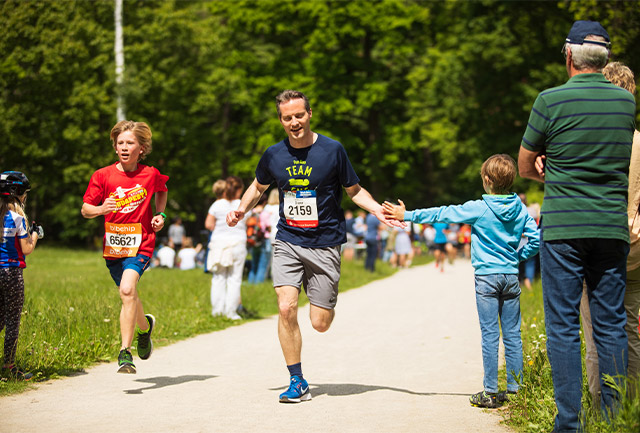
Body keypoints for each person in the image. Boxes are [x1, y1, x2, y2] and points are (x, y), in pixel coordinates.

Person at [226, 90, 402, 403]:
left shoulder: (333, 150)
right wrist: (242, 208)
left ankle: (324, 297)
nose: (294, 122)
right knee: (286, 306)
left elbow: (354, 190)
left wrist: (376, 209)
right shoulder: (273, 155)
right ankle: (297, 380)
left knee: (320, 323)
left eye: (299, 115)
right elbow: (258, 186)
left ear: (310, 114)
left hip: (326, 243)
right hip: (289, 240)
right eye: (287, 118)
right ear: (280, 121)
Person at [517, 21, 635, 432]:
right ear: (603, 59)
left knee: (564, 325)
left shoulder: (549, 100)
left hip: (565, 226)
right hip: (610, 226)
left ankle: (569, 422)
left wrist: (550, 171)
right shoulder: (625, 102)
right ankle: (615, 419)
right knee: (611, 324)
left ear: (568, 55)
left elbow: (524, 165)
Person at [383, 154, 540, 408]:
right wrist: (517, 258)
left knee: (490, 334)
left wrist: (407, 214)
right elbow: (535, 239)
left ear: (487, 180)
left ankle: (490, 391)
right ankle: (516, 389)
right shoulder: (520, 208)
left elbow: (444, 213)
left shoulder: (479, 208)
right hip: (511, 276)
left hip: (487, 278)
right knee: (512, 333)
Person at [82, 120, 168, 374]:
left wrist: (160, 215)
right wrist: (101, 209)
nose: (124, 147)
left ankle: (124, 352)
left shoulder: (150, 174)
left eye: (130, 143)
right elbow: (86, 209)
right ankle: (144, 328)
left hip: (141, 243)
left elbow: (162, 190)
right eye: (120, 143)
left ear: (141, 148)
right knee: (128, 294)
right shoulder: (103, 175)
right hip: (114, 248)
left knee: (128, 290)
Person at [578, 62, 640, 405]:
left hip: (597, 242)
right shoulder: (639, 142)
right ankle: (630, 404)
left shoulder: (590, 140)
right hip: (635, 246)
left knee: (594, 330)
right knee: (629, 326)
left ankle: (601, 403)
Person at [0, 172, 42, 381]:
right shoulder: (17, 218)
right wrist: (35, 234)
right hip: (11, 272)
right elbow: (26, 249)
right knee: (12, 320)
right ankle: (9, 367)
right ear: (17, 195)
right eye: (24, 193)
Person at [205, 176, 247, 320]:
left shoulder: (217, 205)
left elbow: (208, 225)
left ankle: (217, 312)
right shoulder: (243, 204)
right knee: (234, 279)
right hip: (237, 244)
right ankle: (231, 312)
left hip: (219, 245)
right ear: (240, 189)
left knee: (219, 278)